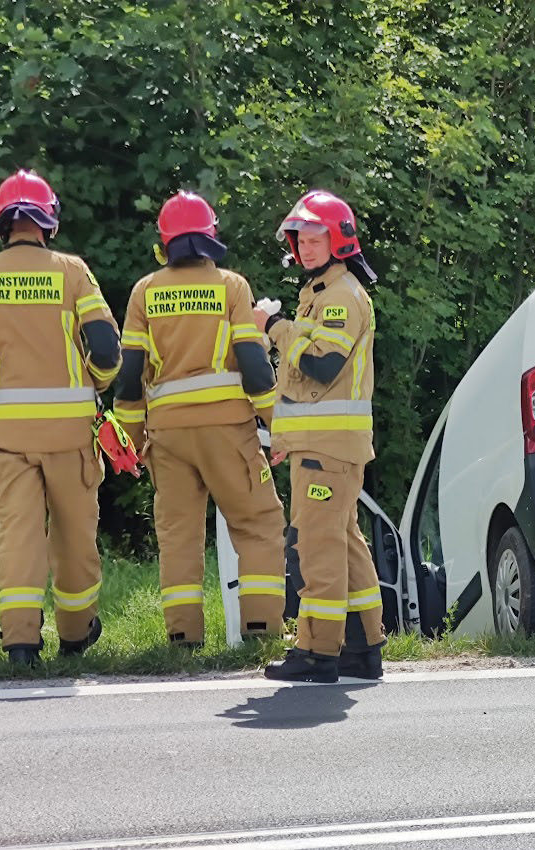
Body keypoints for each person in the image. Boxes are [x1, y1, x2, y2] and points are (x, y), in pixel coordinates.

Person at [0, 169, 120, 666]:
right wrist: (96, 382)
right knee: (74, 536)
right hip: (70, 435)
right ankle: (75, 635)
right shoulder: (72, 271)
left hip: (8, 437)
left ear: (2, 223)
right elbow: (107, 350)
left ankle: (20, 643)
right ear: (49, 222)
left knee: (18, 536)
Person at [113, 191, 286, 648]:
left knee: (178, 537)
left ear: (164, 242)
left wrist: (129, 438)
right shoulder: (232, 287)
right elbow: (254, 366)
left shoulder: (145, 291)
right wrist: (279, 425)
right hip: (228, 432)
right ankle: (261, 633)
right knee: (258, 524)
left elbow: (129, 375)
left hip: (168, 436)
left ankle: (183, 639)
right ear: (212, 236)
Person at [256, 189, 385, 683]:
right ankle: (364, 648)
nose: (306, 248)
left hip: (328, 451)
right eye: (301, 239)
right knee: (344, 542)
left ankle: (317, 650)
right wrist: (286, 436)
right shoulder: (321, 294)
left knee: (317, 547)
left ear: (339, 241)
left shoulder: (340, 297)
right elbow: (306, 390)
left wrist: (275, 328)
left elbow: (322, 365)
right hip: (323, 447)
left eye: (315, 238)